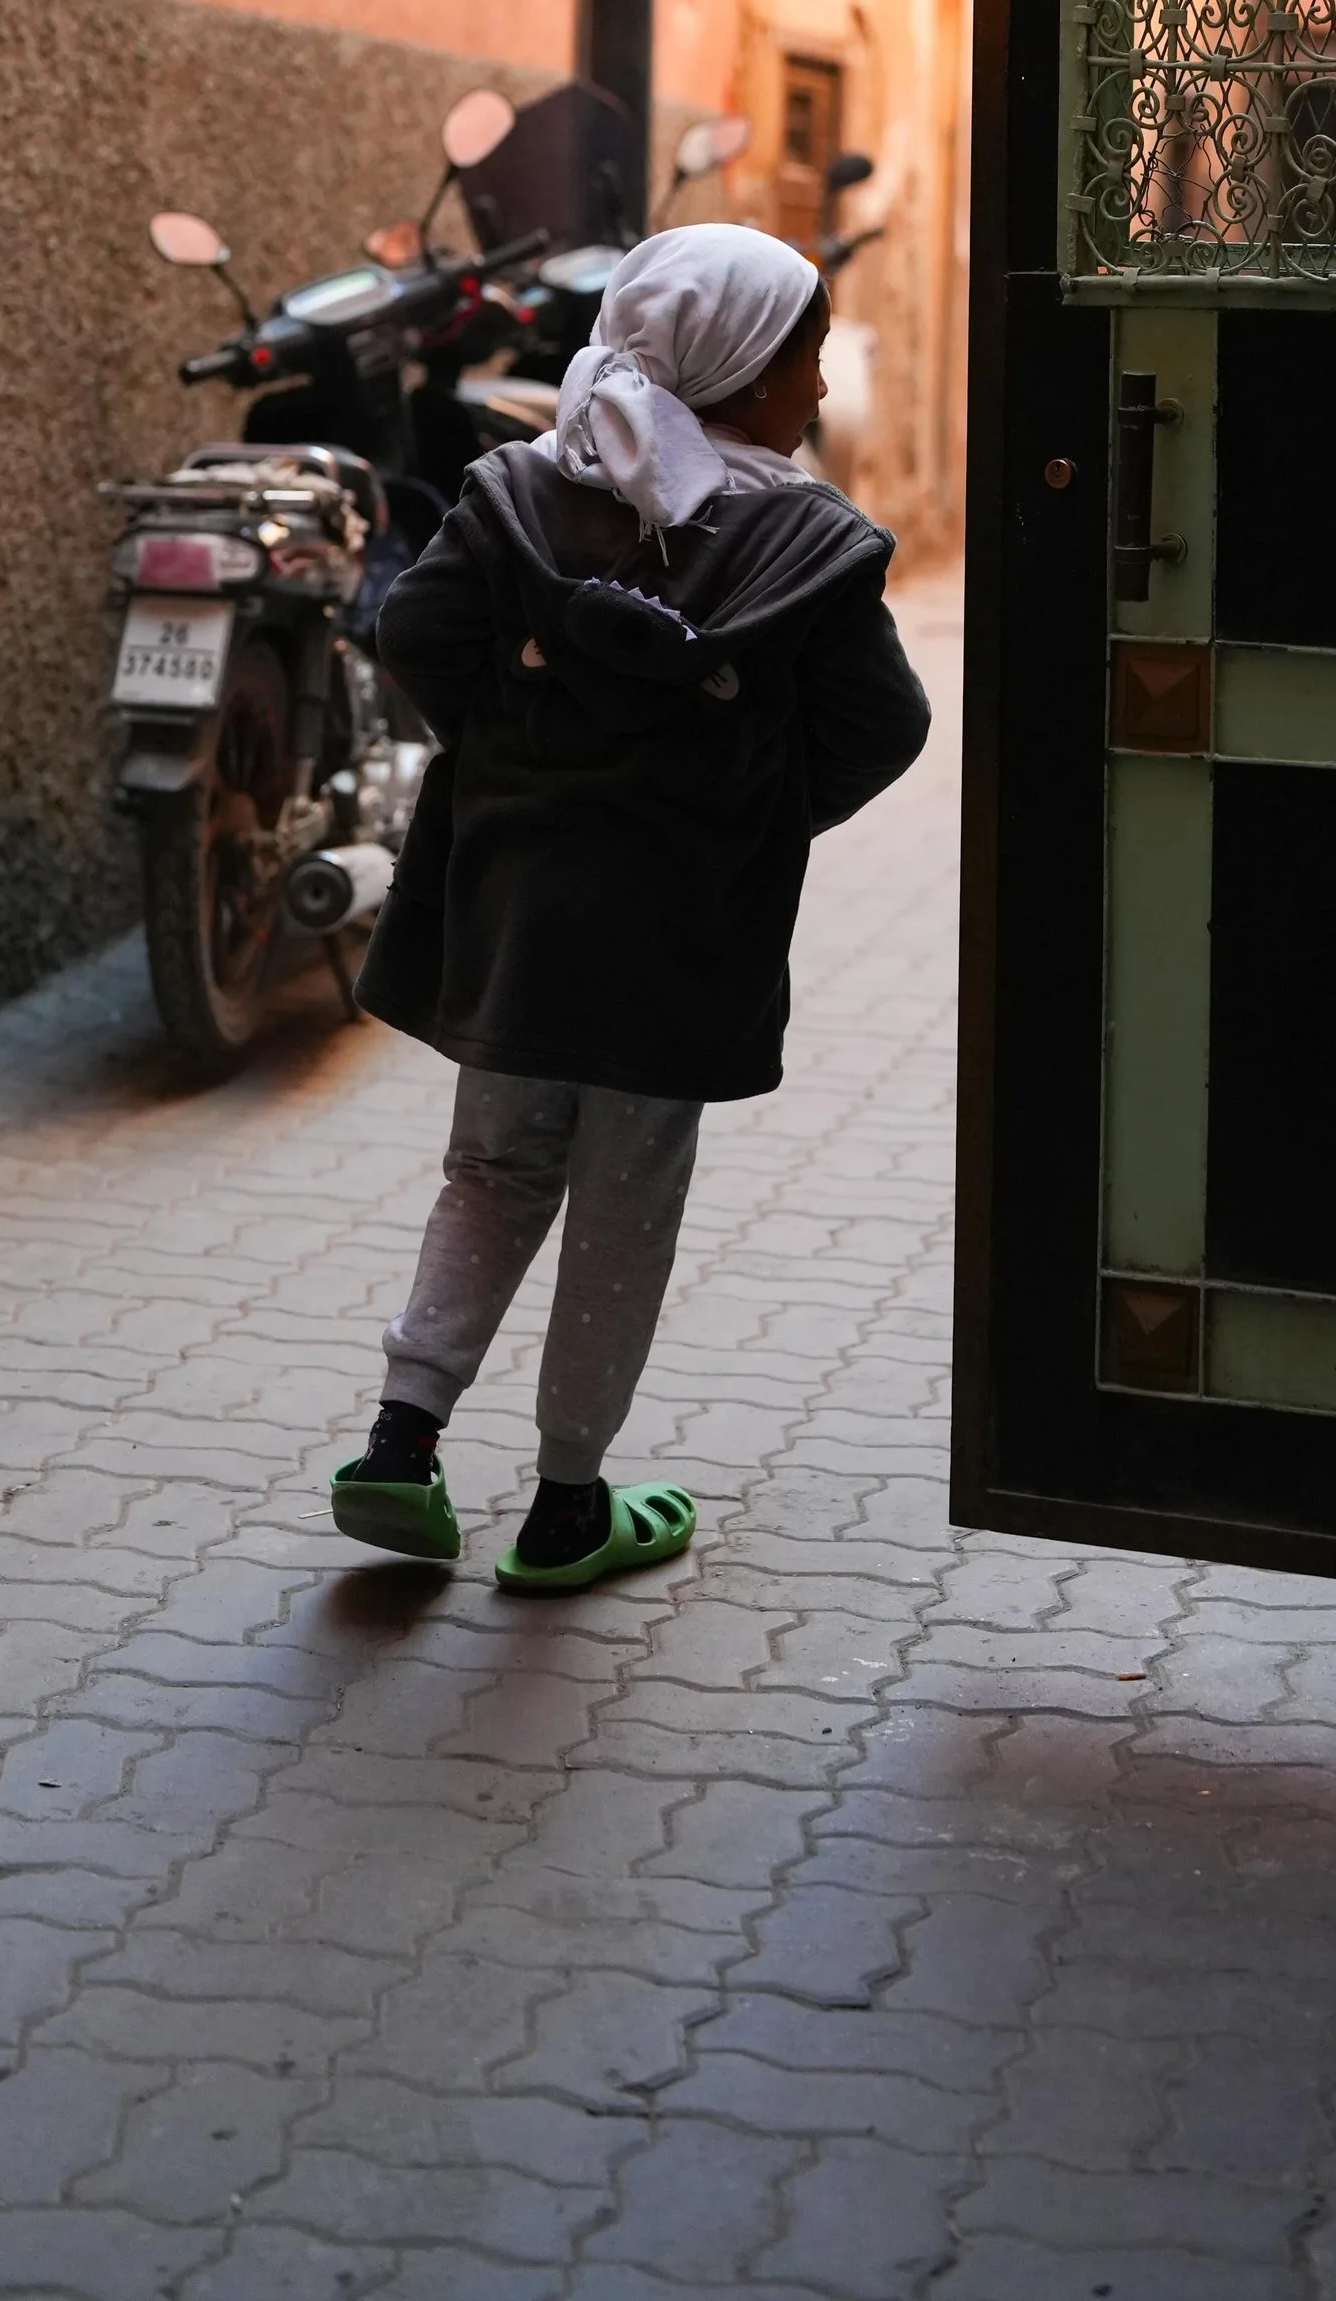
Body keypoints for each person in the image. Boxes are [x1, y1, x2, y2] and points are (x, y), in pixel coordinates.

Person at [330, 219, 931, 1593]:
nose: (821, 386)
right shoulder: (806, 540)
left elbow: (416, 635)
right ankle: (566, 1506)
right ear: (743, 368)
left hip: (518, 912)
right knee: (623, 1204)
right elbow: (883, 726)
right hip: (676, 937)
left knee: (492, 1169)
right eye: (807, 358)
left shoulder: (520, 489)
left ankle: (400, 1441)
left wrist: (521, 764)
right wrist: (739, 814)